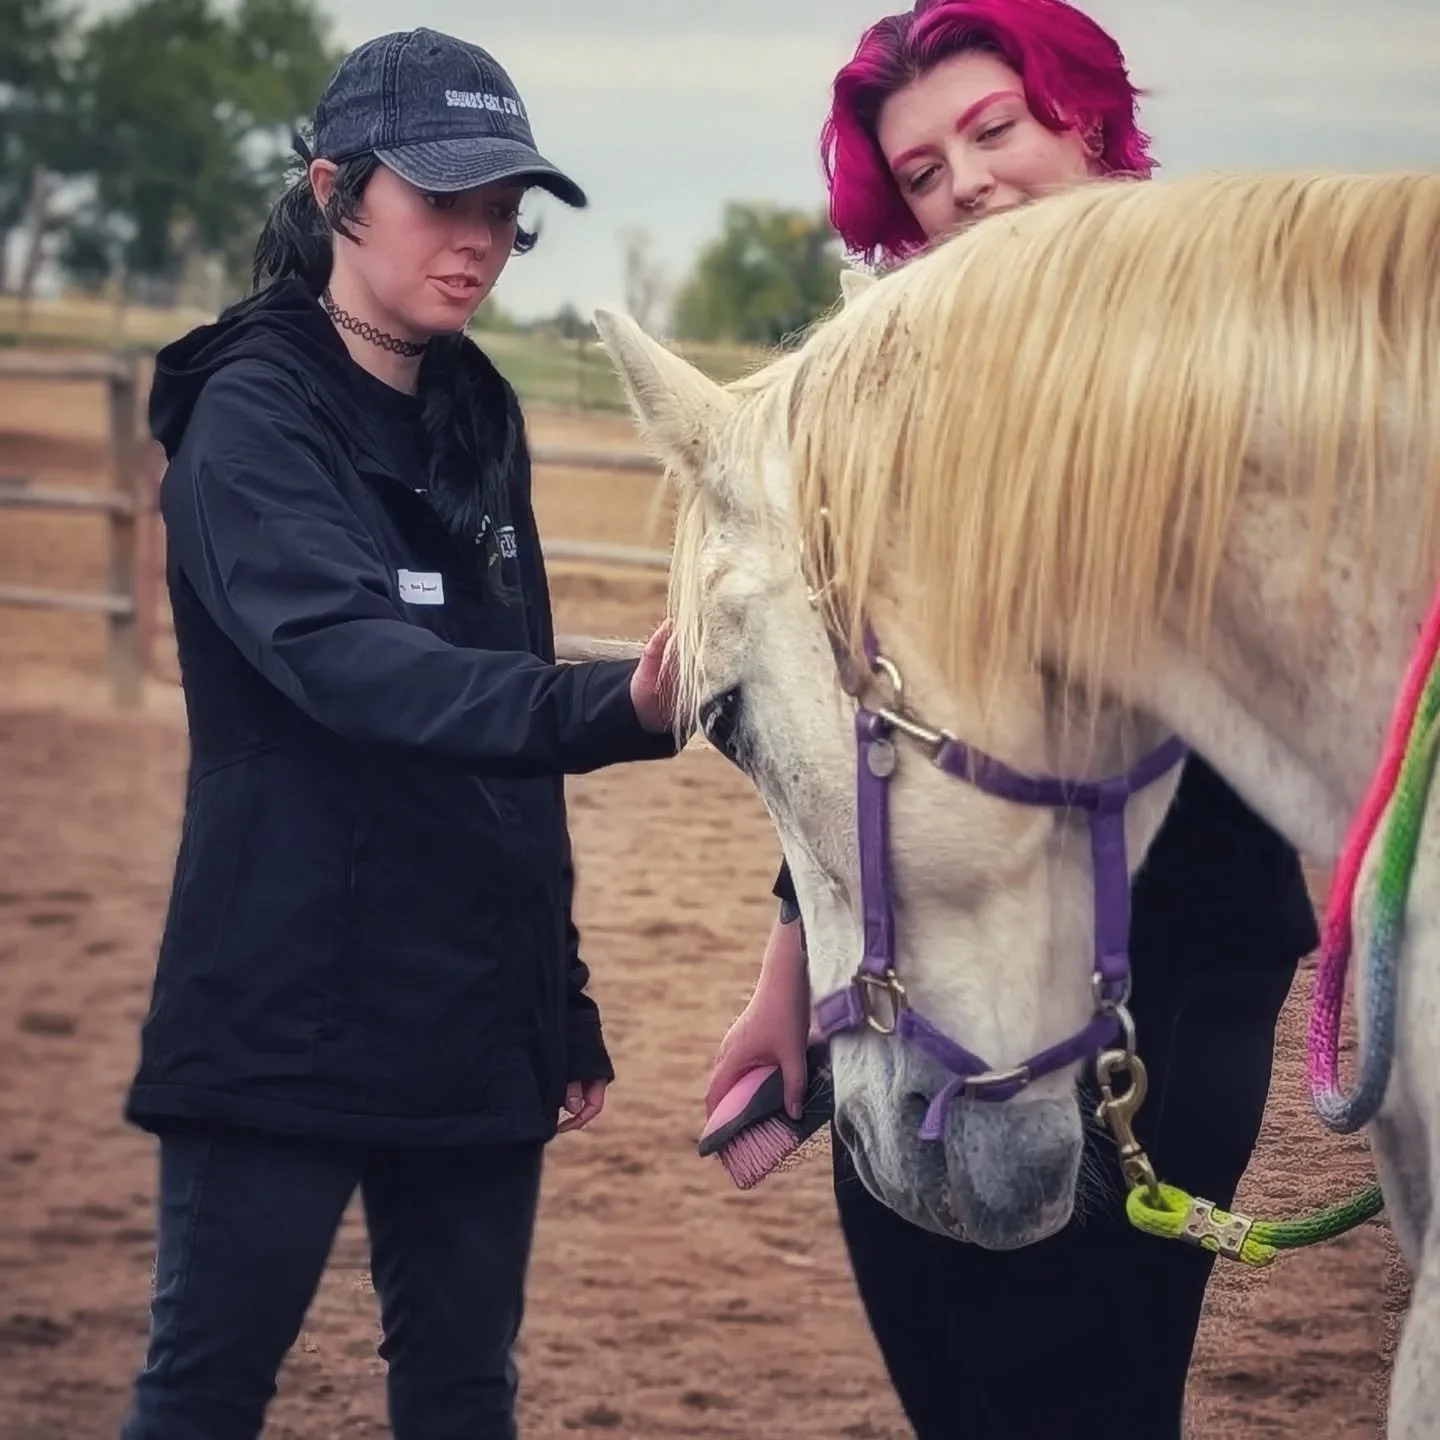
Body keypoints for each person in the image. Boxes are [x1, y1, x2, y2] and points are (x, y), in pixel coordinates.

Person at [702, 3, 1319, 1436]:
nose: (968, 180)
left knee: (1095, 1394)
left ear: (1087, 121)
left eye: (997, 129)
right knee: (955, 1388)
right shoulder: (907, 392)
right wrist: (788, 975)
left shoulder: (1238, 340)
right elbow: (865, 726)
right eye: (924, 170)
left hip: (1175, 960)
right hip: (917, 974)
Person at [119, 27, 681, 1440]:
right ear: (332, 191)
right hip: (285, 997)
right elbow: (358, 671)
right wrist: (622, 701)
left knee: (461, 1394)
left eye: (503, 209)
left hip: (473, 1015)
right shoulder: (251, 411)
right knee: (205, 1392)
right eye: (445, 202)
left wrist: (557, 993)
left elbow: (501, 704)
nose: (482, 240)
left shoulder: (477, 412)